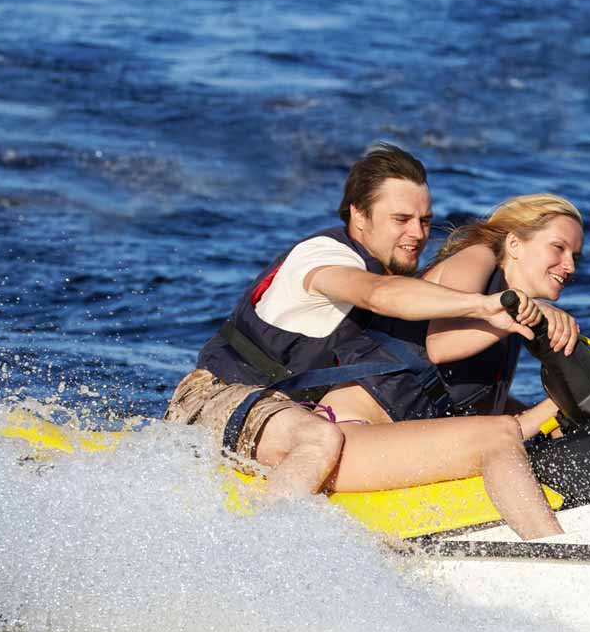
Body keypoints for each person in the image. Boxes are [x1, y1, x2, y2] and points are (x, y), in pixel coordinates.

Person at [164, 143, 564, 539]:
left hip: (288, 416)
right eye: (401, 219)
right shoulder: (324, 255)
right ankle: (256, 550)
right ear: (358, 214)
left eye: (425, 220)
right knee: (319, 437)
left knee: (325, 433)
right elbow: (375, 294)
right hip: (214, 399)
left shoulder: (394, 278)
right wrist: (485, 307)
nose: (417, 234)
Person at [412, 194, 584, 436]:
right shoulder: (478, 257)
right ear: (514, 244)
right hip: (387, 428)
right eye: (558, 247)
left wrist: (554, 427)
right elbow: (440, 346)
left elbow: (482, 402)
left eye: (575, 257)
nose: (570, 267)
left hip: (434, 430)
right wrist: (560, 404)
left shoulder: (513, 307)